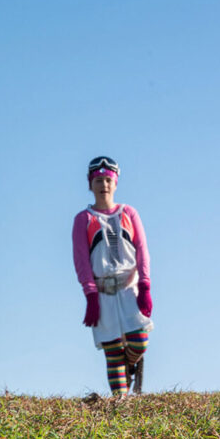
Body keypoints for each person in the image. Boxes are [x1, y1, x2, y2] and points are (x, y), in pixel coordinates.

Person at [72, 156, 153, 397]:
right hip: (102, 291)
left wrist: (145, 286)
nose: (103, 185)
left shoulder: (129, 213)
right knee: (112, 350)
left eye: (108, 180)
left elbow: (142, 249)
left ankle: (132, 364)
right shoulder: (83, 219)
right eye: (98, 180)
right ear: (90, 184)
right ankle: (121, 404)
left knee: (139, 341)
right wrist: (90, 295)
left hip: (129, 288)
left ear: (115, 183)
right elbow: (81, 259)